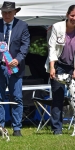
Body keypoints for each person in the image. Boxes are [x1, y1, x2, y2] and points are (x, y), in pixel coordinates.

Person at [0, 1, 30, 136]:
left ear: (15, 12)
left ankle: (17, 129)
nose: (7, 14)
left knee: (17, 97)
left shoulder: (22, 26)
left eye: (9, 12)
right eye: (4, 12)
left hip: (15, 68)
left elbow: (25, 45)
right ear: (1, 12)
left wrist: (18, 59)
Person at [45, 5, 75, 135]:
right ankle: (57, 129)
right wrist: (52, 67)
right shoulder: (57, 27)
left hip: (72, 65)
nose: (74, 18)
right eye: (73, 15)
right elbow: (52, 47)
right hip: (59, 64)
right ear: (67, 15)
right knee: (57, 97)